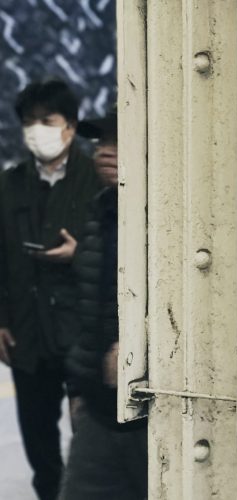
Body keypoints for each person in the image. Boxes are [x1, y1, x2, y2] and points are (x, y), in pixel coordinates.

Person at [0, 79, 100, 500]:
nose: (35, 130)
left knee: (92, 441)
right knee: (39, 444)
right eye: (28, 122)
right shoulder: (10, 182)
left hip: (83, 332)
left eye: (47, 121)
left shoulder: (97, 178)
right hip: (27, 332)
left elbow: (123, 255)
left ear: (71, 127)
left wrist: (80, 253)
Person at [60, 108, 148, 500]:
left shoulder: (172, 219)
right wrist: (77, 388)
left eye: (118, 141)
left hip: (150, 416)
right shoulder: (100, 211)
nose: (104, 152)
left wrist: (140, 350)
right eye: (100, 142)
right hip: (97, 408)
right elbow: (87, 308)